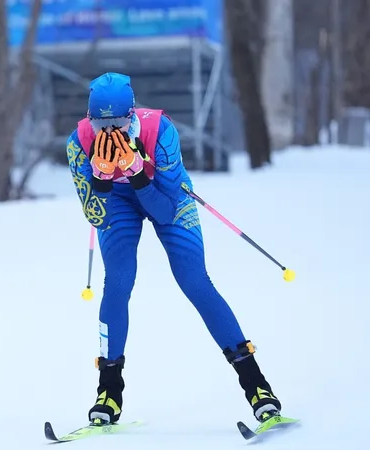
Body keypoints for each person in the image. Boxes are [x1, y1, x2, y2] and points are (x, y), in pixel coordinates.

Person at [64, 72, 282, 426]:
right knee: (117, 282)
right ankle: (109, 393)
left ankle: (257, 386)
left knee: (194, 281)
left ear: (131, 115)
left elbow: (165, 211)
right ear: (90, 119)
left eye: (118, 123)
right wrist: (101, 182)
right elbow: (95, 215)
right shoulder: (79, 142)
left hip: (164, 194)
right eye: (100, 124)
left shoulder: (159, 131)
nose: (109, 132)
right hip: (117, 200)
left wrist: (138, 174)